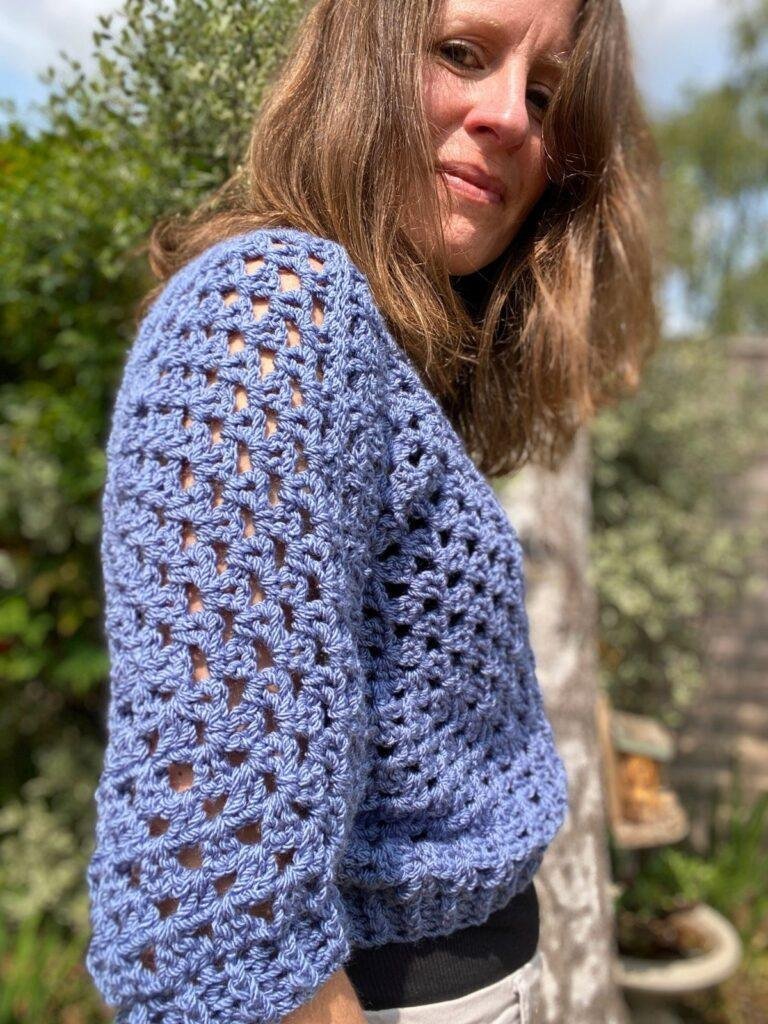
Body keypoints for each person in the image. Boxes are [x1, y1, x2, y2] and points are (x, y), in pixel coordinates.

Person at [84, 0, 663, 1022]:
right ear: (361, 59)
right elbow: (218, 916)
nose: (511, 118)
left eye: (542, 91)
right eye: (461, 53)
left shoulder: (370, 346)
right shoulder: (273, 307)